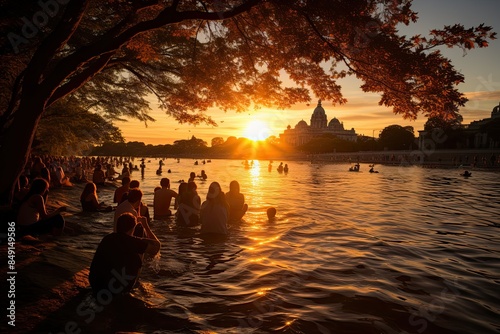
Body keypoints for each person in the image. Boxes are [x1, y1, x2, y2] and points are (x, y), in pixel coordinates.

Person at [88, 213, 160, 297]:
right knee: (136, 257)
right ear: (132, 229)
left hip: (96, 284)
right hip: (114, 289)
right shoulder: (131, 241)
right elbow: (156, 247)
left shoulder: (107, 238)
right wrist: (145, 225)